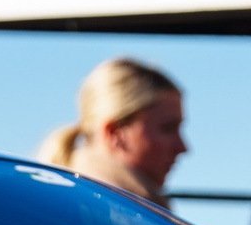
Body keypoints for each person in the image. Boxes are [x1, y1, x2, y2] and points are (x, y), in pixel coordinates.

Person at [39, 57, 187, 206]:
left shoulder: (67, 198)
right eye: (167, 129)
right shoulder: (109, 213)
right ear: (115, 133)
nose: (182, 147)